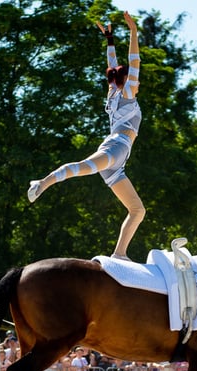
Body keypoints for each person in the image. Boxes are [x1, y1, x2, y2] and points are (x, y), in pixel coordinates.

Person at [26, 11, 144, 260]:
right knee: (84, 167)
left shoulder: (113, 91)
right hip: (116, 147)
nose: (137, 81)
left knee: (137, 210)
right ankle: (42, 183)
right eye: (131, 79)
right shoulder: (128, 92)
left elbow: (113, 67)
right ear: (126, 81)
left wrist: (110, 40)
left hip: (119, 161)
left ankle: (120, 254)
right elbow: (134, 61)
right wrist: (133, 32)